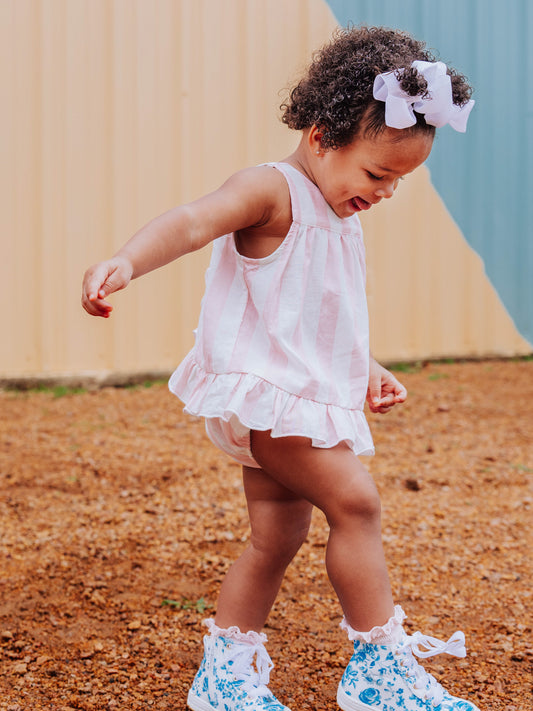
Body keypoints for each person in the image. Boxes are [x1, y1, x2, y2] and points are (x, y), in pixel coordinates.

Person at [82, 25, 478, 711]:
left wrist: (361, 366)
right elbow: (190, 220)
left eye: (399, 182)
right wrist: (126, 260)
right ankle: (377, 667)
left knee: (276, 535)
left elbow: (306, 312)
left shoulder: (336, 207)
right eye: (378, 174)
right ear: (321, 135)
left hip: (293, 395)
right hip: (272, 402)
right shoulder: (272, 191)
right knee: (355, 502)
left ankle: (225, 670)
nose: (384, 193)